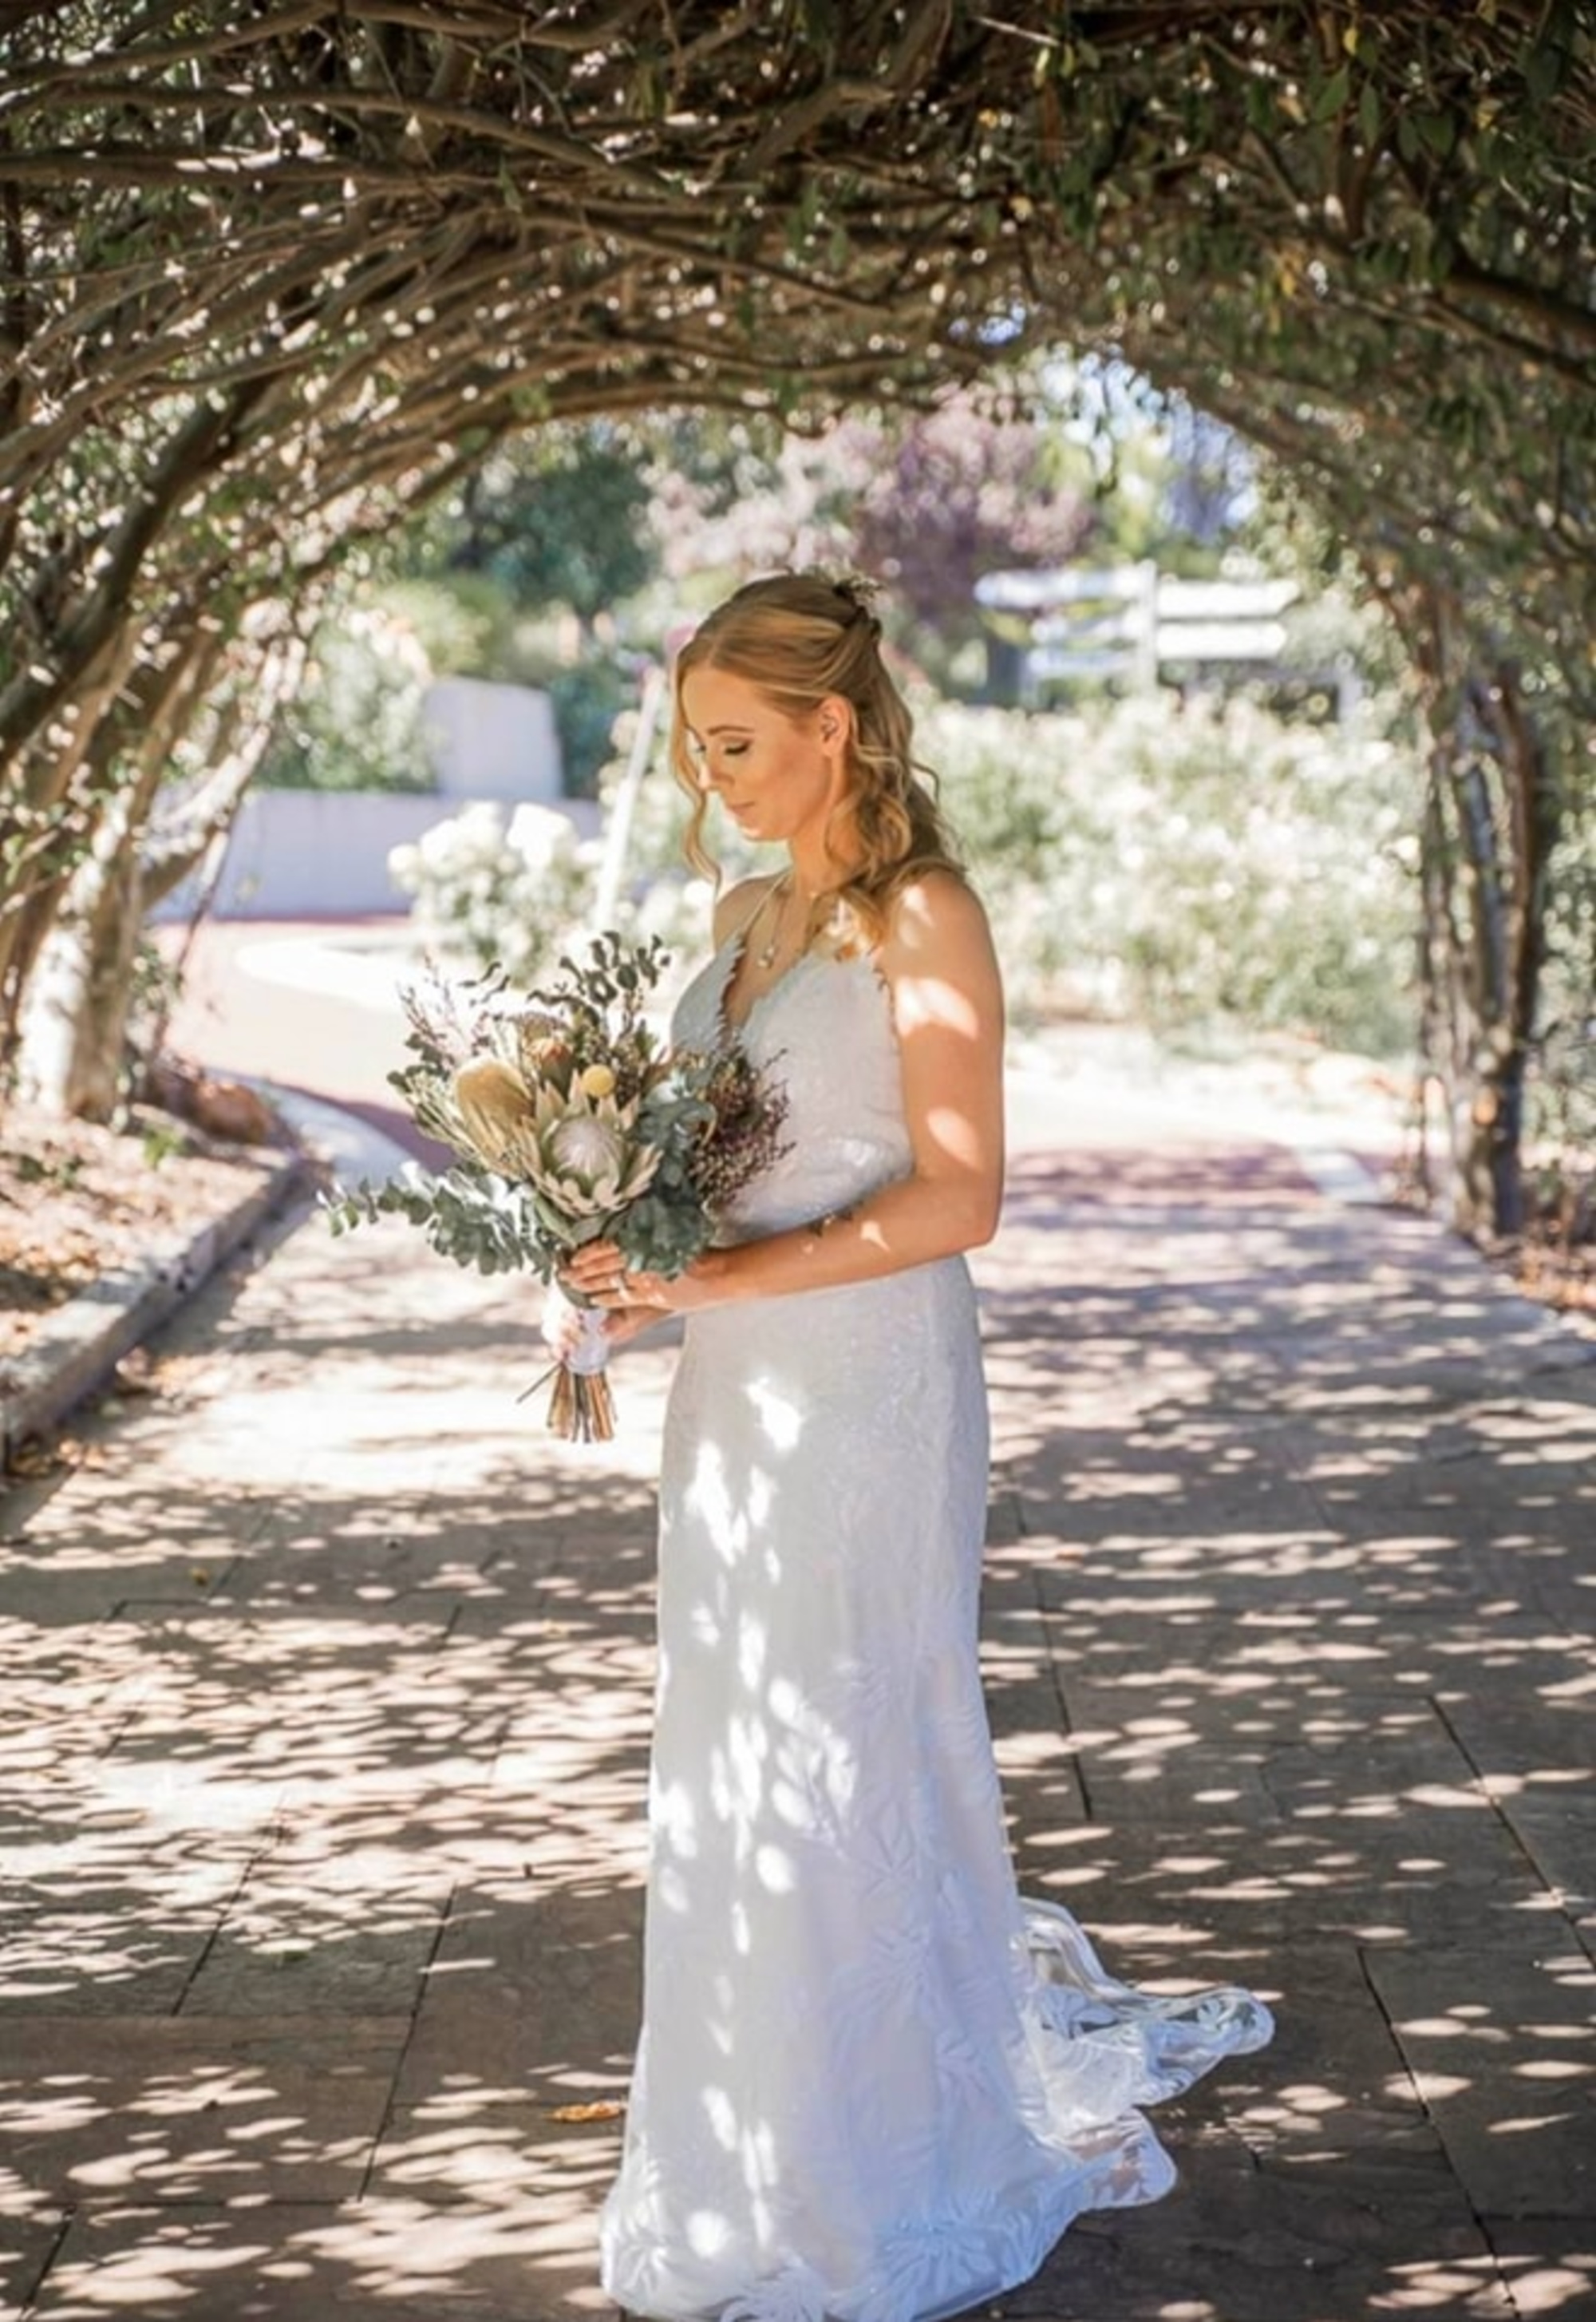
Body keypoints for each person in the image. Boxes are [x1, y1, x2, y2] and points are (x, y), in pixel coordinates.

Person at [560, 573, 1272, 2322]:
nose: (708, 775)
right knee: (732, 1745)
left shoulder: (925, 917)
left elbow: (963, 1193)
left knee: (845, 1739)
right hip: (734, 1390)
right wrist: (624, 1279)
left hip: (871, 1387)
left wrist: (726, 1270)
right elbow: (709, 1180)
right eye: (689, 747)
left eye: (736, 742)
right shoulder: (734, 918)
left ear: (831, 725)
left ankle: (877, 2162)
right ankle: (745, 2149)